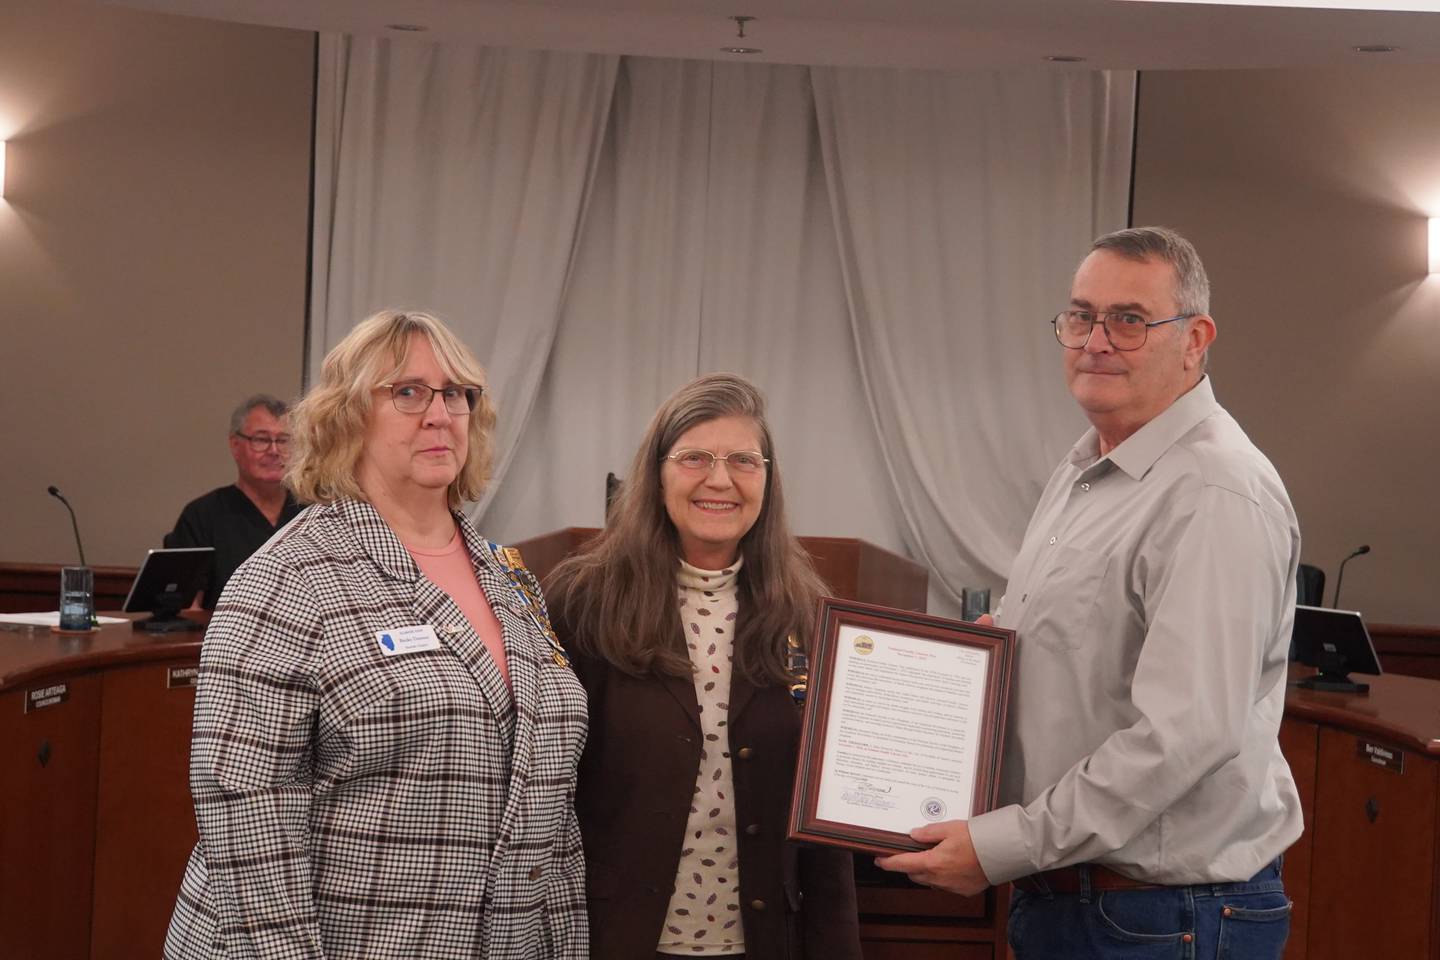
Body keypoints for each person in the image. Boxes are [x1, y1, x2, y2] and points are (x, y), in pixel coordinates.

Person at [879, 227, 1302, 958]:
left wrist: (1005, 843)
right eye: (1080, 316)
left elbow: (1183, 735)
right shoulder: (1088, 469)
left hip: (1162, 917)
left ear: (1195, 339)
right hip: (1088, 901)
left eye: (1129, 320)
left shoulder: (1212, 491)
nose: (1096, 340)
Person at [164, 311, 589, 959]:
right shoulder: (288, 579)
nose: (439, 413)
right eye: (408, 392)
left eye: (456, 394)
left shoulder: (510, 581)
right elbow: (246, 809)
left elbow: (550, 796)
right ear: (347, 418)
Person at [545, 373, 862, 959]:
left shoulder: (808, 614)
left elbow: (826, 833)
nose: (720, 479)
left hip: (765, 942)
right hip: (613, 939)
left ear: (768, 479)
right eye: (694, 457)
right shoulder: (581, 603)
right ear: (657, 474)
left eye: (744, 460)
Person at [164, 395, 303, 608]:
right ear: (235, 445)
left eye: (283, 440)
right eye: (261, 439)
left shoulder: (310, 513)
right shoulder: (202, 516)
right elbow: (188, 609)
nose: (274, 451)